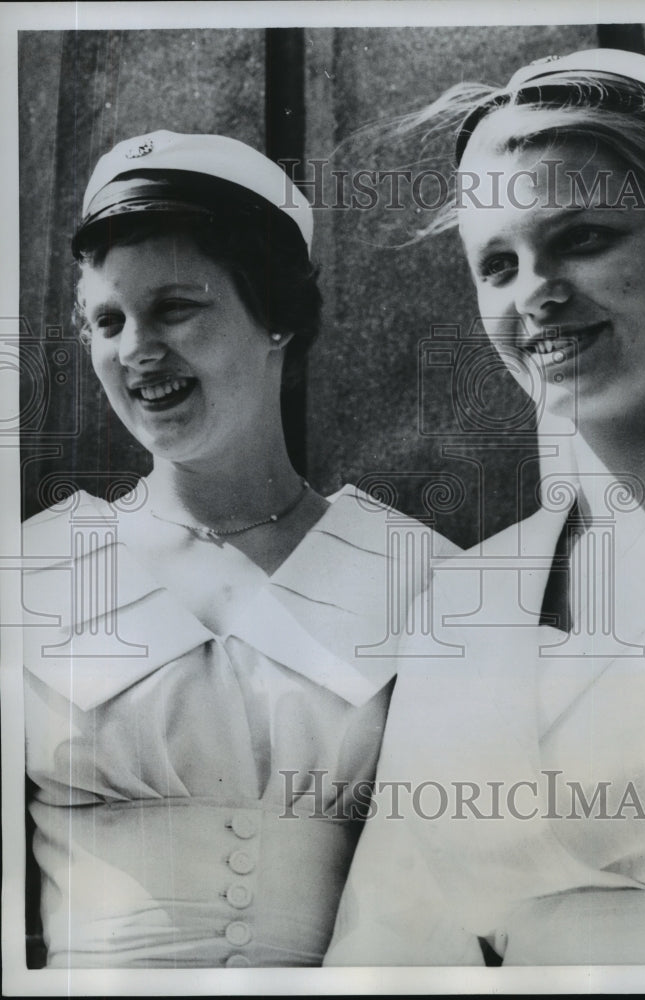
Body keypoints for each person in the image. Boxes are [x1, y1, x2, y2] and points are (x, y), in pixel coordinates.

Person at [325, 49, 645, 966]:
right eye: (498, 264)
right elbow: (392, 931)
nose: (535, 298)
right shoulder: (463, 599)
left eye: (583, 239)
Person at [22, 130, 457, 968]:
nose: (136, 349)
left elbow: (446, 901)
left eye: (176, 306)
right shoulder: (34, 571)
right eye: (108, 319)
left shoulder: (419, 575)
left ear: (277, 320)